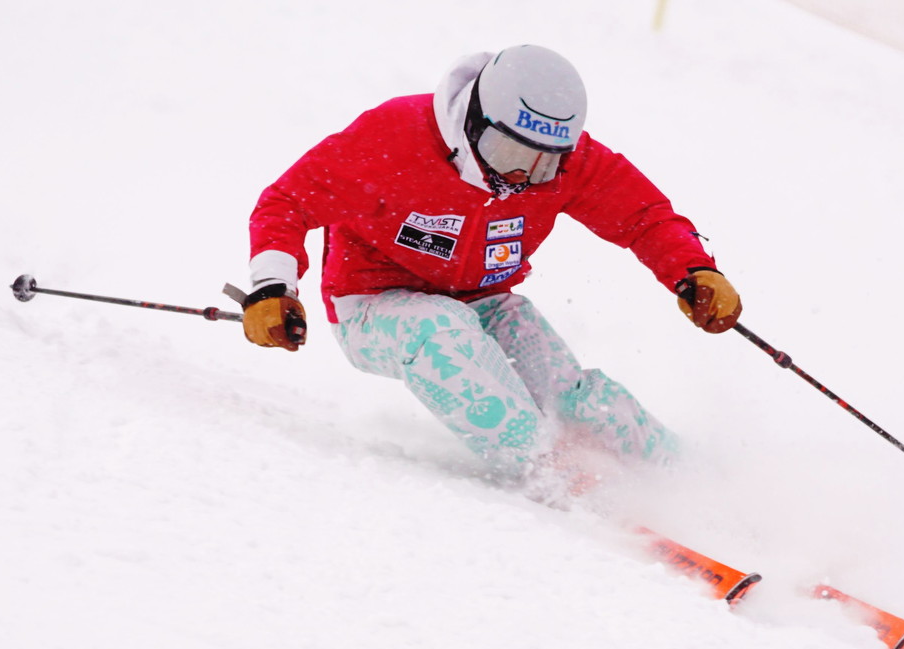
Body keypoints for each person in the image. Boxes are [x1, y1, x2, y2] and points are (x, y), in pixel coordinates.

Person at [241, 44, 741, 498]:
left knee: (574, 398)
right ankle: (555, 475)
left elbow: (642, 215)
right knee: (439, 328)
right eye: (511, 155)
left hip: (484, 301)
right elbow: (287, 202)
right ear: (476, 123)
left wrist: (695, 270)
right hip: (374, 307)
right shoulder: (394, 137)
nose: (522, 177)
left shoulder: (568, 163)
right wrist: (271, 288)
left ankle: (697, 484)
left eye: (545, 165)